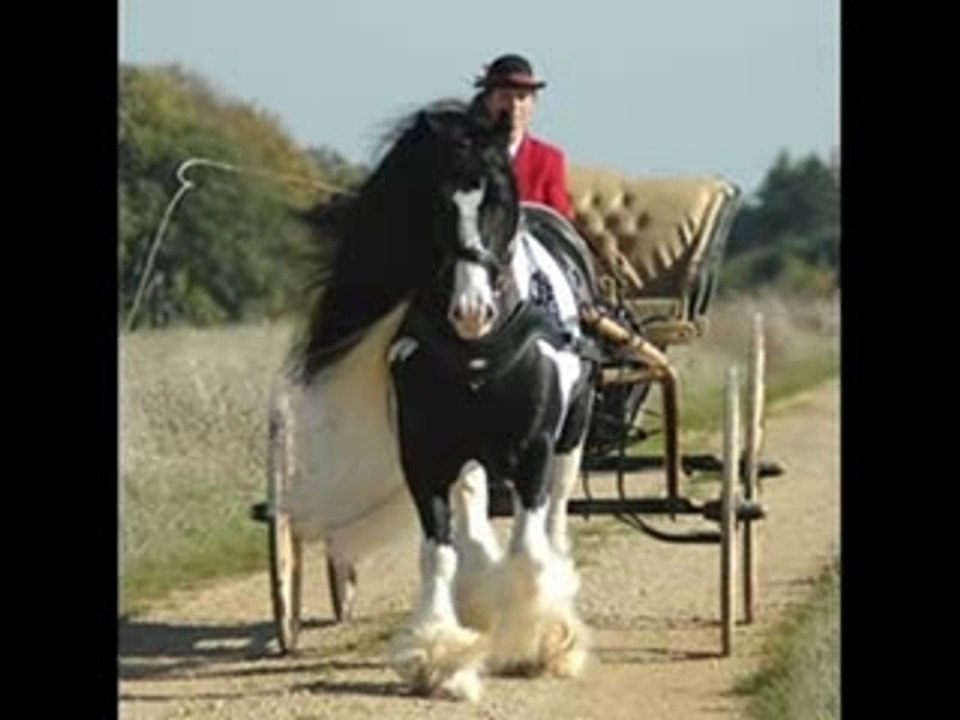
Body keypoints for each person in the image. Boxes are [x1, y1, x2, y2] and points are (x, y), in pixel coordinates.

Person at [471, 53, 573, 218]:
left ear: (533, 103)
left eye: (521, 97)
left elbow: (560, 222)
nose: (514, 106)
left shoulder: (548, 159)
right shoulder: (469, 155)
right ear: (488, 102)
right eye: (505, 97)